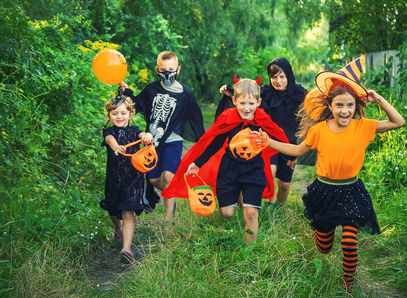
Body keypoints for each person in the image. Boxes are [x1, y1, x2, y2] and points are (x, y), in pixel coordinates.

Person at [251, 58, 405, 294]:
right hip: (325, 191)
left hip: (351, 190)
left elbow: (398, 122)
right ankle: (323, 238)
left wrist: (379, 100)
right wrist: (268, 142)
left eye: (350, 106)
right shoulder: (319, 130)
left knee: (349, 242)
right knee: (324, 247)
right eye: (340, 105)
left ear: (356, 106)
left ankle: (347, 287)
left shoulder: (362, 126)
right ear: (330, 107)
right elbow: (296, 150)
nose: (345, 111)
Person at [162, 78, 289, 243]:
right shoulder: (229, 118)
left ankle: (249, 250)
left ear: (258, 102)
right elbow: (215, 142)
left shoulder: (262, 120)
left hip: (254, 169)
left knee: (251, 213)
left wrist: (288, 157)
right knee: (227, 213)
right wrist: (197, 163)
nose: (246, 108)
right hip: (230, 169)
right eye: (242, 103)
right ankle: (236, 196)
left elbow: (278, 137)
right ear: (234, 100)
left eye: (251, 103)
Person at [120, 51, 205, 223]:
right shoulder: (152, 89)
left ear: (178, 69)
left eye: (171, 69)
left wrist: (205, 141)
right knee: (152, 178)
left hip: (173, 140)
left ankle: (168, 219)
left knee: (168, 176)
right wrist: (127, 92)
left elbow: (195, 118)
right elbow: (137, 104)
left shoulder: (185, 94)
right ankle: (170, 190)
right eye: (164, 69)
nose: (168, 72)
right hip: (151, 141)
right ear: (157, 70)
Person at [219, 57, 308, 206]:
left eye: (282, 76)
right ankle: (263, 202)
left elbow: (314, 106)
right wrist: (230, 91)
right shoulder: (265, 92)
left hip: (289, 143)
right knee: (269, 171)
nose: (278, 80)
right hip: (266, 140)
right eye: (274, 77)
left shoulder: (300, 94)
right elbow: (247, 95)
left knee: (284, 185)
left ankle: (278, 207)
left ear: (288, 75)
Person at [100, 96, 153, 264]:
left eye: (123, 113)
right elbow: (110, 141)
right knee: (113, 208)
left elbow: (142, 134)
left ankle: (127, 249)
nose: (119, 116)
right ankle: (117, 227)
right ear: (109, 116)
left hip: (133, 177)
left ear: (131, 114)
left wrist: (146, 136)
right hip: (114, 178)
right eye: (115, 113)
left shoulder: (134, 130)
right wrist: (116, 147)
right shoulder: (108, 132)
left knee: (128, 211)